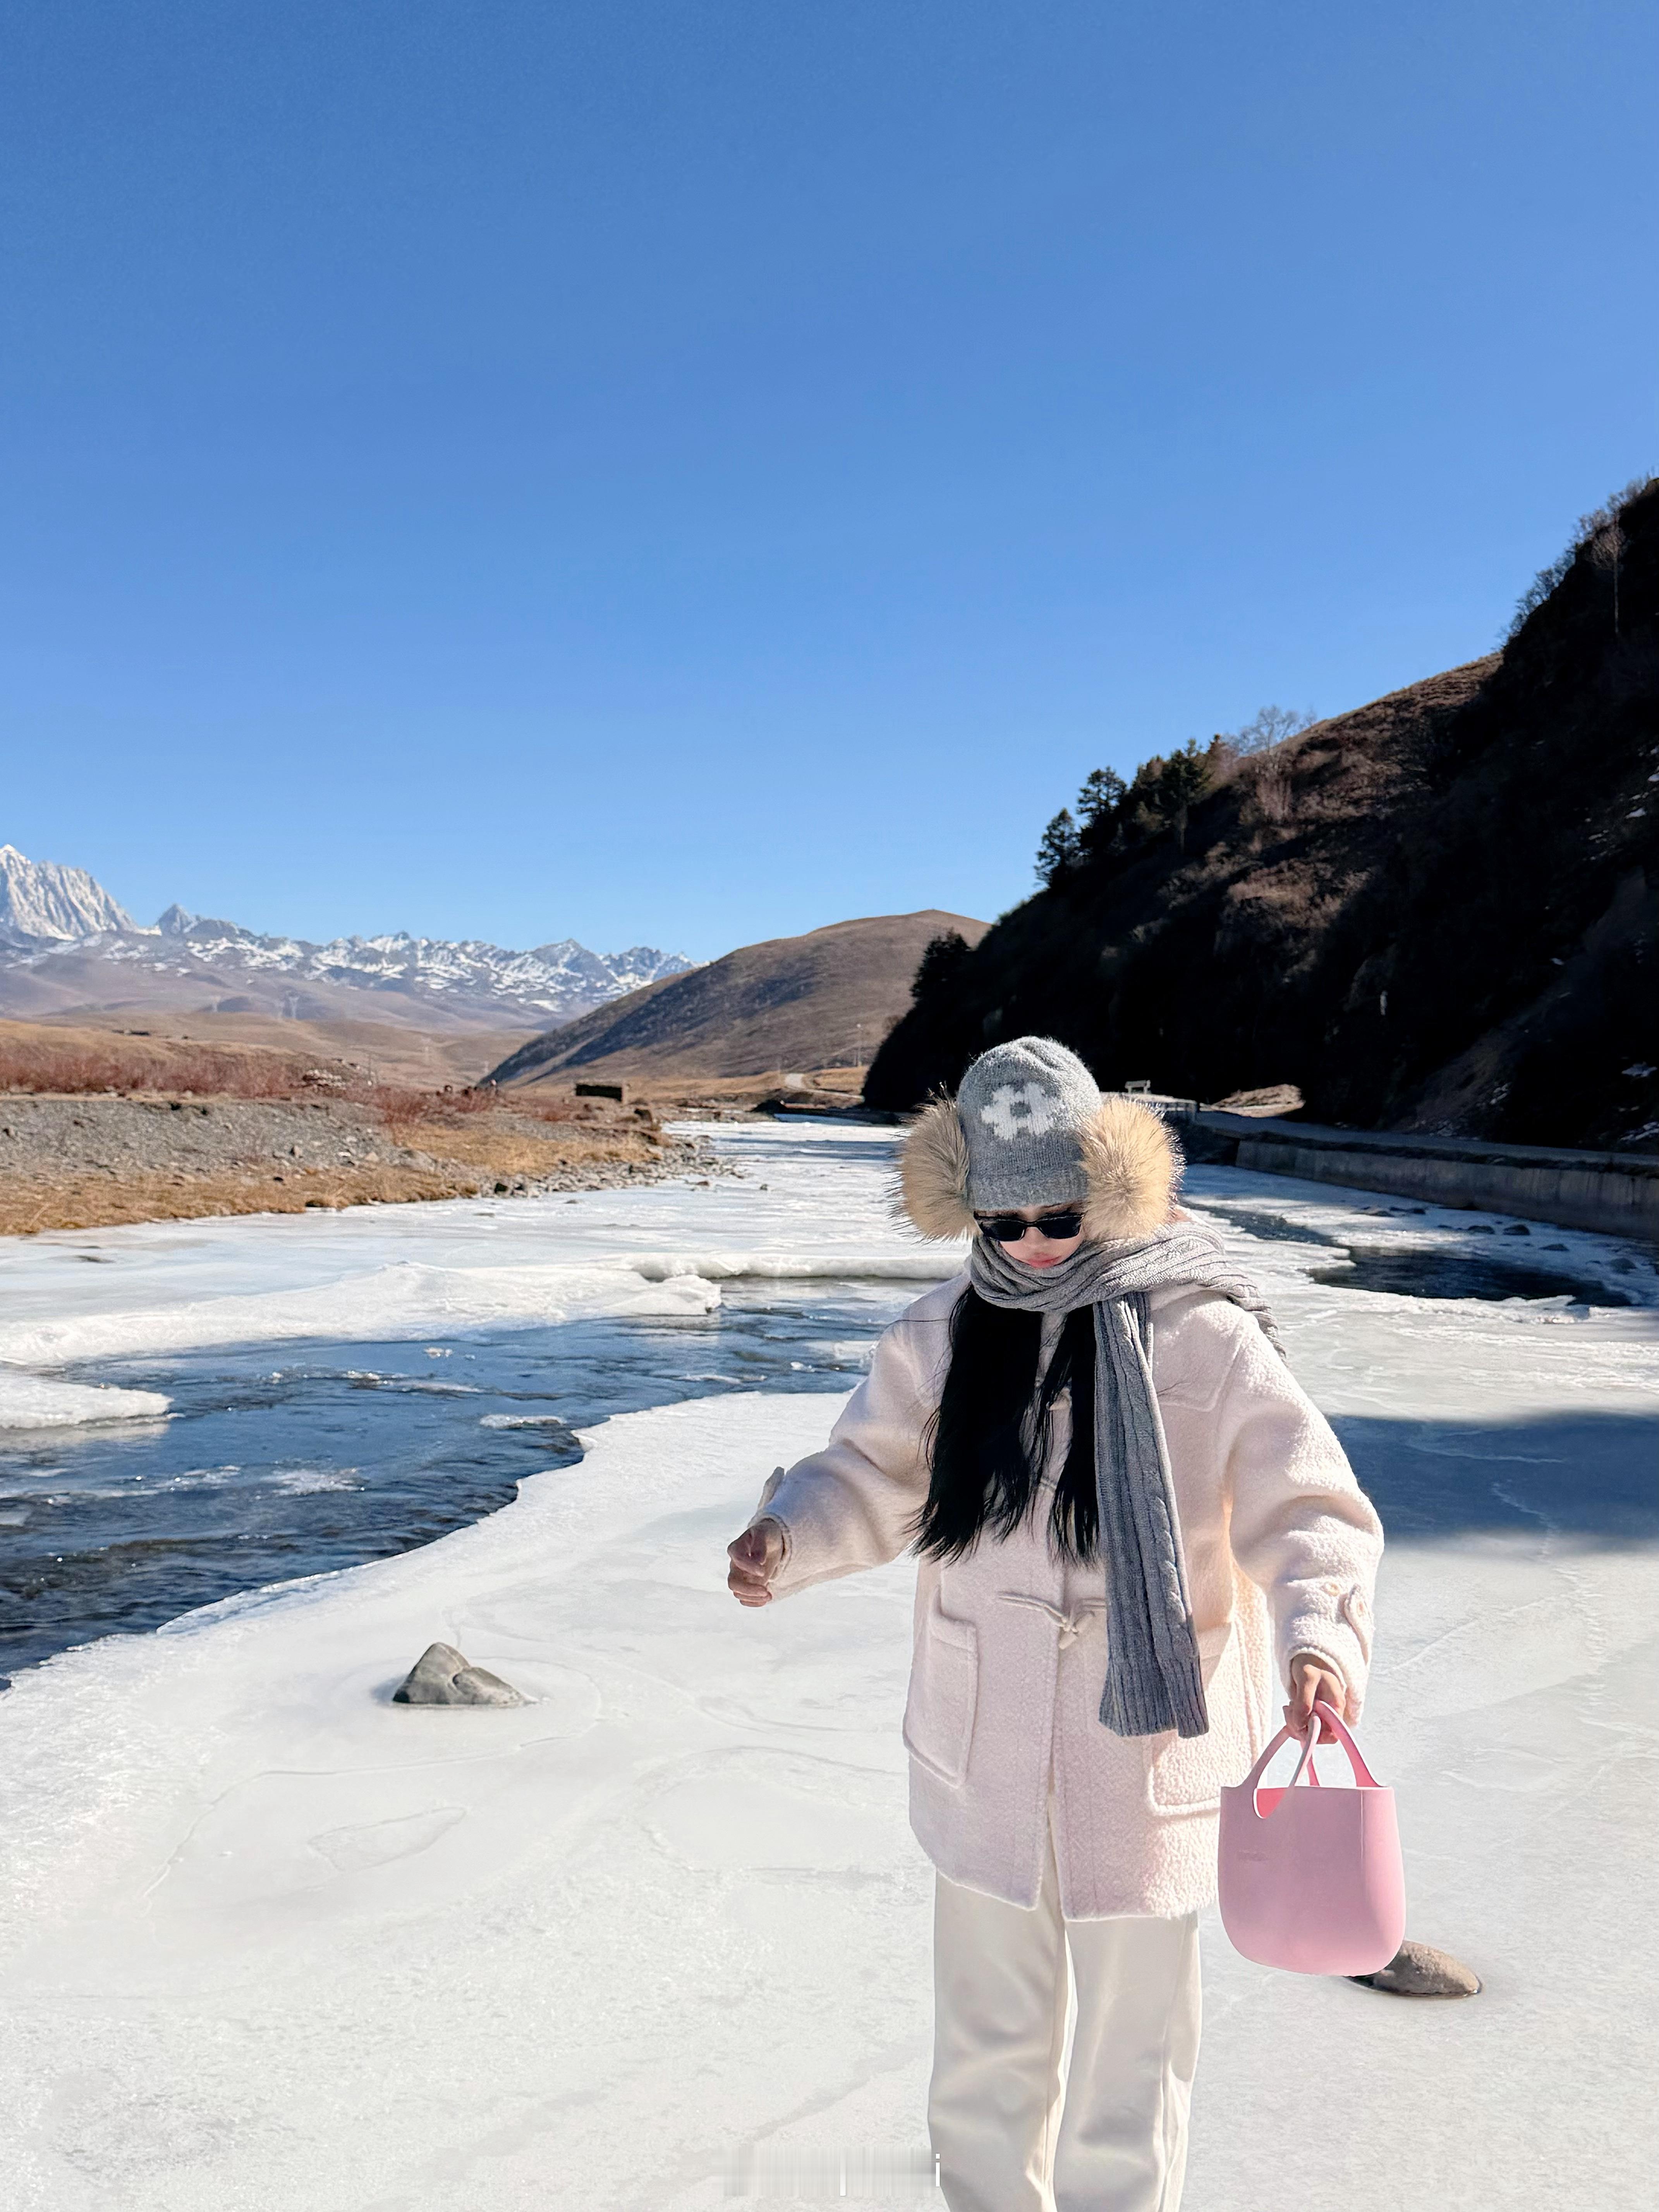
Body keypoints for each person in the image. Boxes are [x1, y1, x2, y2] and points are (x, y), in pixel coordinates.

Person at [726, 1037, 1382, 2212]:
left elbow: (1308, 1508)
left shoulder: (1202, 1334)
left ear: (1107, 1189)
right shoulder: (941, 1332)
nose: (1031, 1243)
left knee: (1133, 2065)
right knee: (983, 2051)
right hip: (983, 1742)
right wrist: (790, 1532)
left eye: (1059, 1216)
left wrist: (1318, 1637)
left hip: (1146, 1750)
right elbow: (873, 1475)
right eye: (1004, 1221)